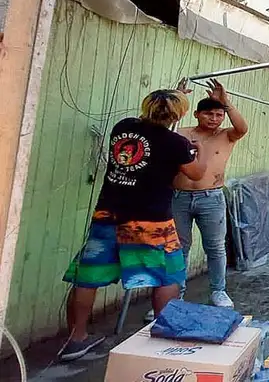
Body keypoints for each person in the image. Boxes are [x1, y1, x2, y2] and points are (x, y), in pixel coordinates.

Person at [60, 90, 207, 362]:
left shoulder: (123, 127)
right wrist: (198, 153)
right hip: (151, 222)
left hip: (108, 215)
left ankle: (75, 340)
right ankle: (162, 340)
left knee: (88, 276)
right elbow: (196, 174)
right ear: (180, 114)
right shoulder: (176, 143)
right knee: (168, 276)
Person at [171, 79, 248, 310]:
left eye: (218, 115)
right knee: (178, 248)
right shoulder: (181, 133)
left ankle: (218, 290)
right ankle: (174, 295)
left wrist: (226, 102)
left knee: (215, 247)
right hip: (179, 197)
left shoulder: (226, 135)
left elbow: (242, 128)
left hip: (211, 198)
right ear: (196, 114)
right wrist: (176, 99)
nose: (214, 119)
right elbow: (161, 129)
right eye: (208, 114)